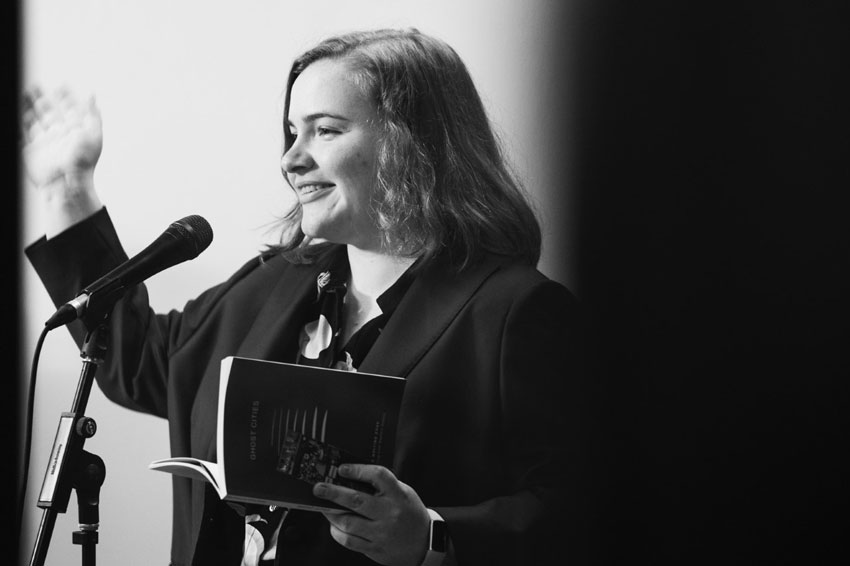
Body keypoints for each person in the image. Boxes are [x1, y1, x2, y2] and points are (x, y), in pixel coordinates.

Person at [23, 28, 583, 566]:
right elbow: (137, 358)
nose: (292, 159)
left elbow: (581, 516)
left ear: (414, 142)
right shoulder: (278, 281)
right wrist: (66, 190)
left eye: (326, 130)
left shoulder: (517, 312)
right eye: (292, 132)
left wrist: (429, 538)